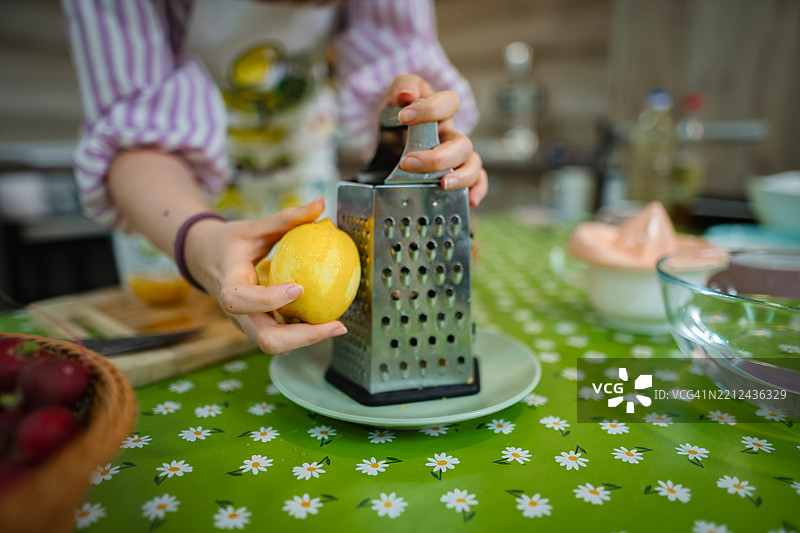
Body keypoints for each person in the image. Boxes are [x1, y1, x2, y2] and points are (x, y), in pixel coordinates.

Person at [61, 0, 488, 355]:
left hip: (296, 180)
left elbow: (390, 60)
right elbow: (135, 133)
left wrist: (411, 130)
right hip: (170, 206)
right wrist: (201, 241)